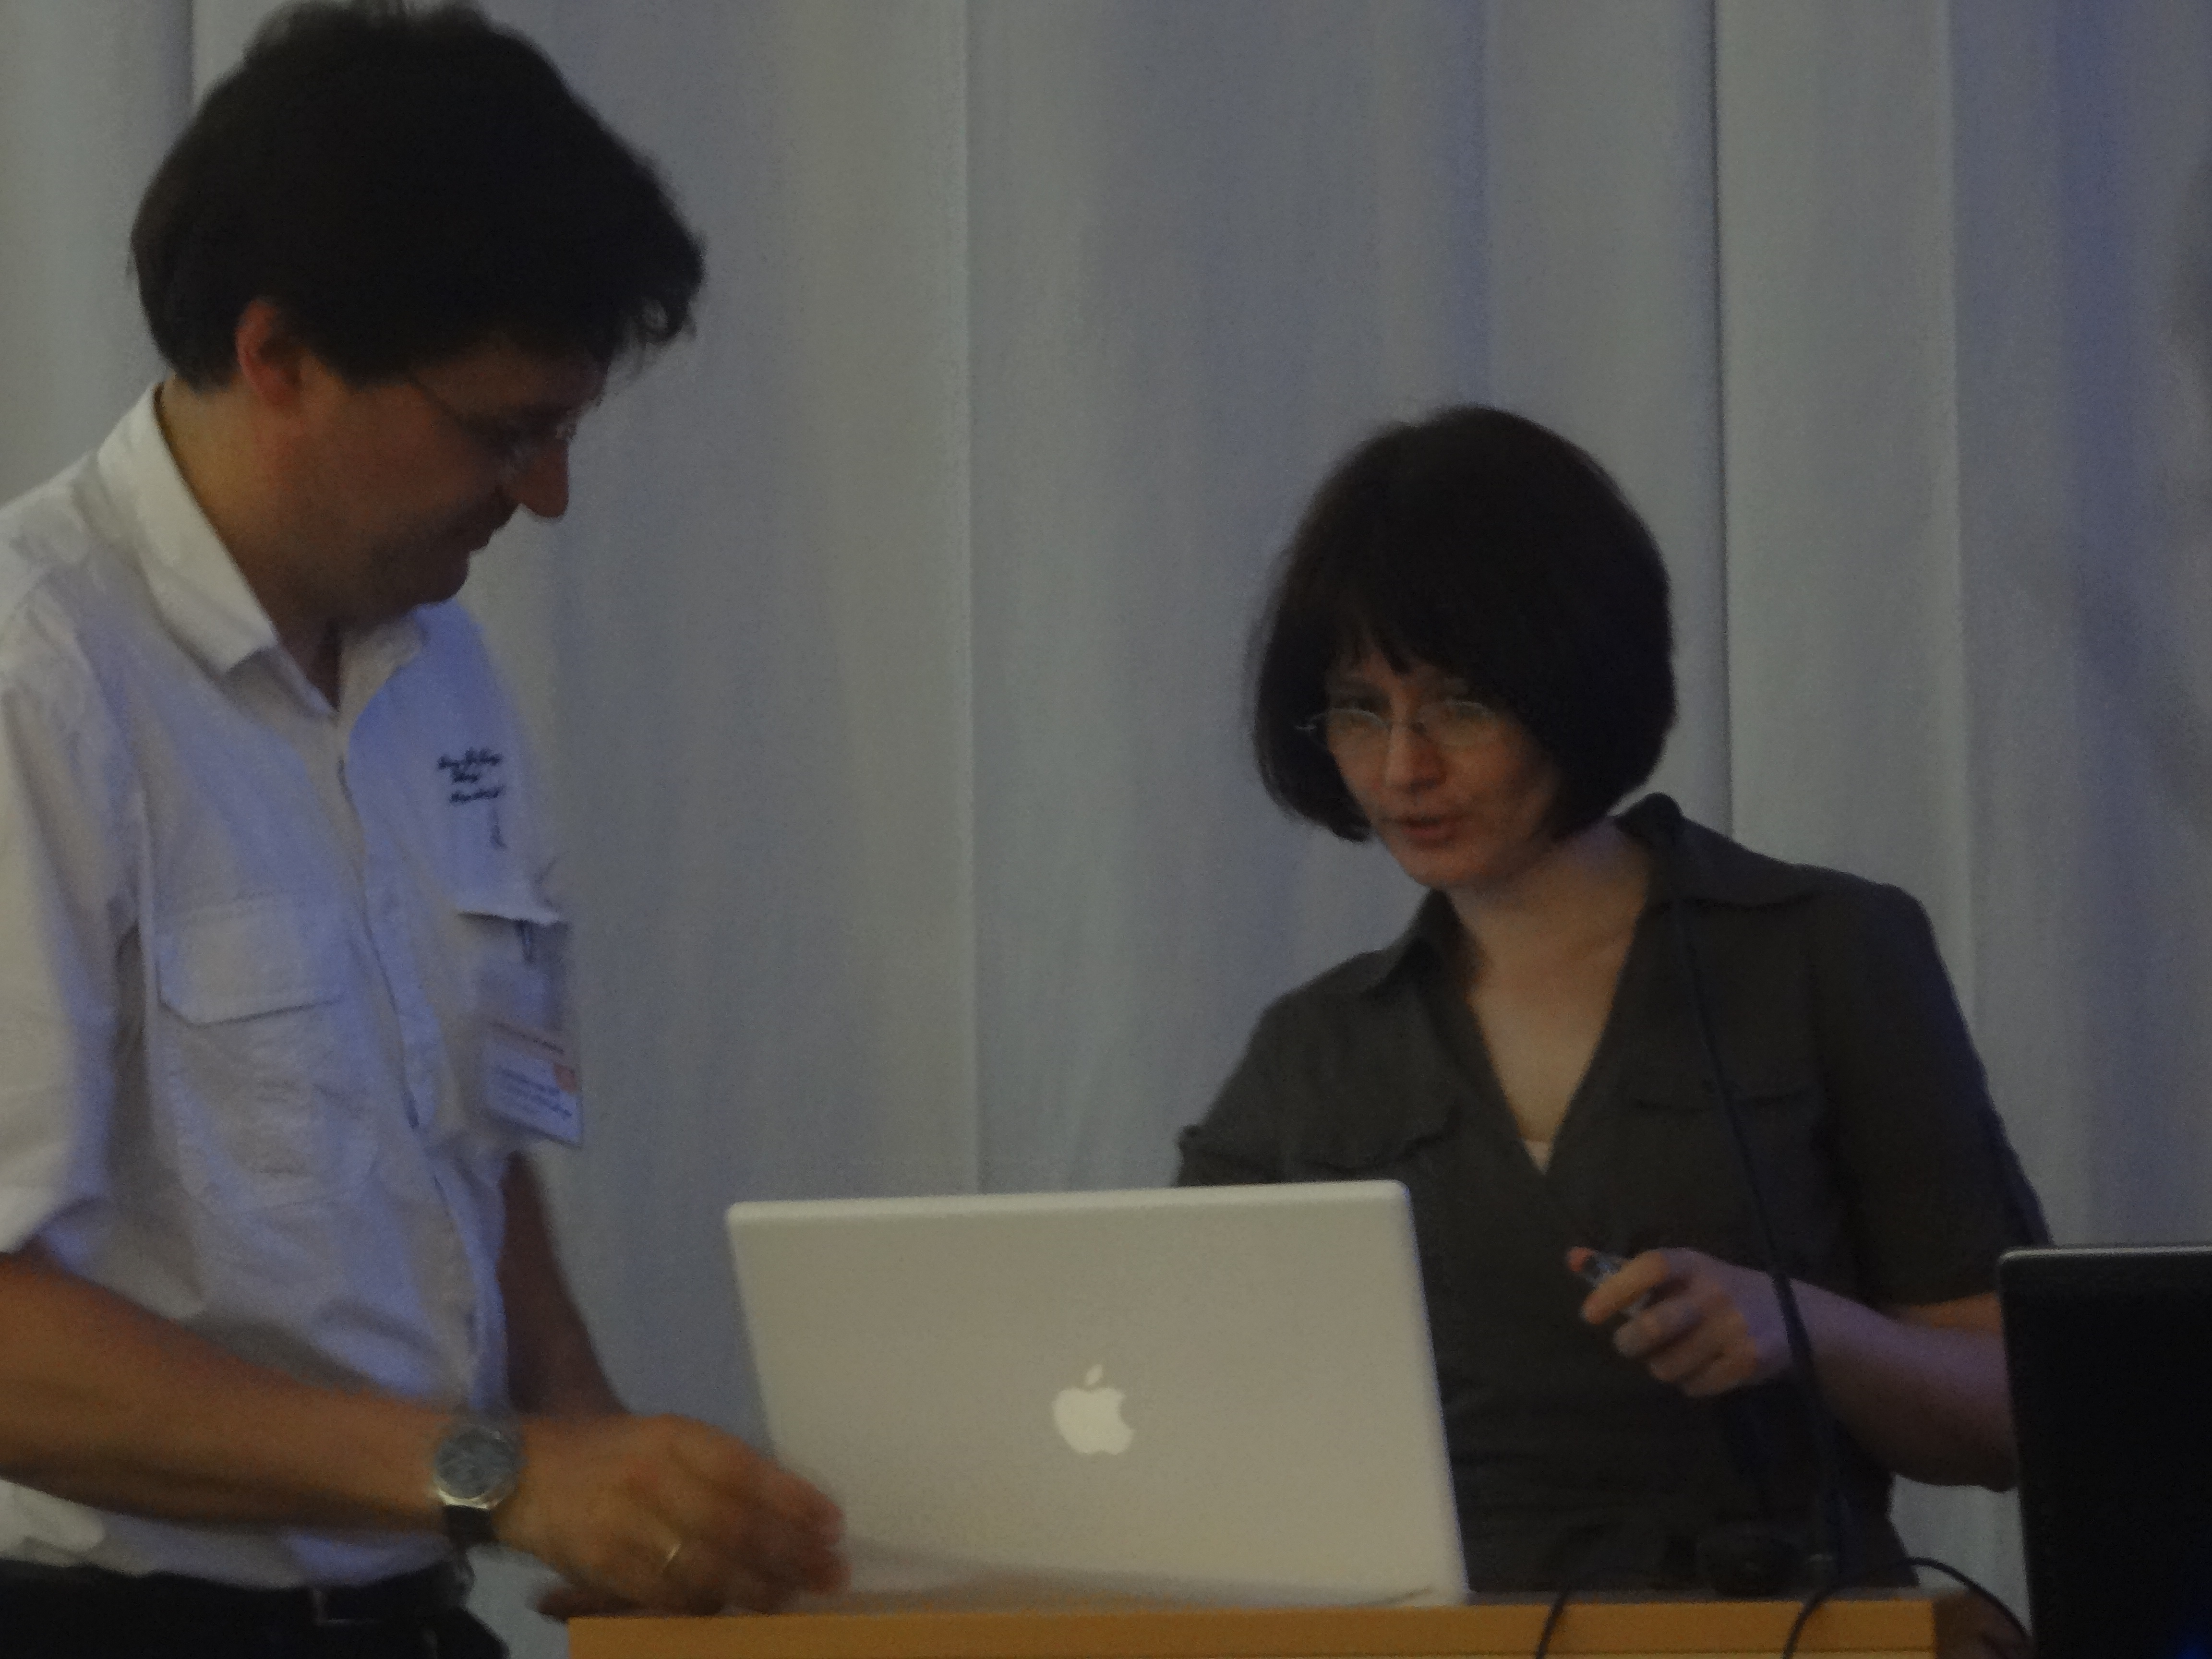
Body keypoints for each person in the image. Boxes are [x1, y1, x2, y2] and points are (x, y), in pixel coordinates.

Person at [0, 4, 844, 1652]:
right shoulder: (39, 684)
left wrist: (597, 1446)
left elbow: (469, 1136)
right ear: (279, 357)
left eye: (563, 431)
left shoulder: (438, 668)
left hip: (406, 1603)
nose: (547, 495)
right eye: (504, 429)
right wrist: (503, 1474)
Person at [1176, 405, 2050, 1593]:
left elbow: (2015, 1411)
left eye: (1461, 707)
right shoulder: (1313, 1052)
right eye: (1359, 709)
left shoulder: (1825, 954)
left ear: (1580, 686)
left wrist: (1805, 1327)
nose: (1402, 769)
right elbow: (1166, 1396)